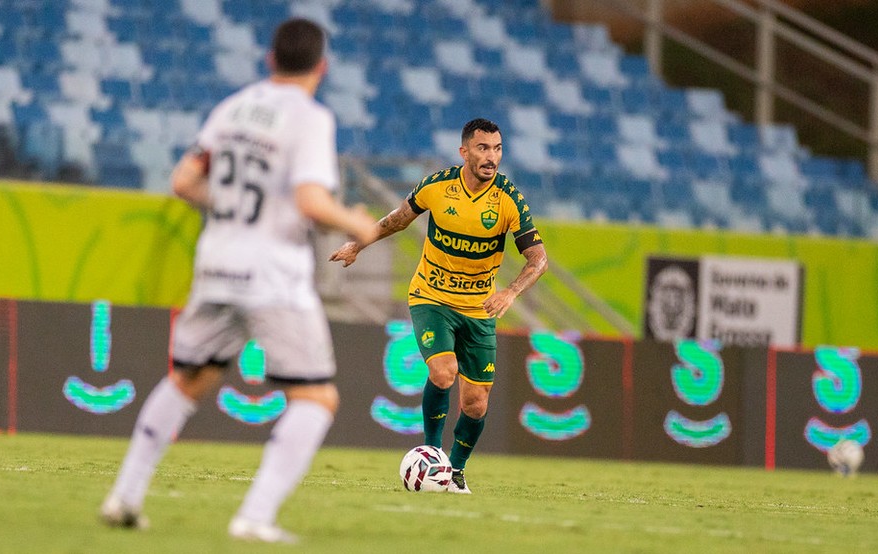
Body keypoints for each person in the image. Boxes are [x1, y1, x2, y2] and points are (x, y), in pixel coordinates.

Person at [99, 18, 378, 543]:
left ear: (270, 59)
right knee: (316, 397)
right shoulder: (310, 118)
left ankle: (125, 496)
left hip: (216, 264)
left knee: (189, 380)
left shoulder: (230, 109)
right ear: (322, 67)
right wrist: (356, 223)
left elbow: (184, 181)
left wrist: (229, 206)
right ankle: (255, 517)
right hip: (272, 275)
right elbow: (310, 201)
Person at [329, 118, 548, 494]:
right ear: (464, 152)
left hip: (479, 310)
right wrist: (357, 245)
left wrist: (511, 292)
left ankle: (455, 471)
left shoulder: (509, 199)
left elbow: (538, 259)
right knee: (444, 372)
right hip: (431, 297)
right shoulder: (437, 186)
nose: (491, 157)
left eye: (497, 149)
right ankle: (431, 453)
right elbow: (397, 220)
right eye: (482, 148)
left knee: (476, 404)